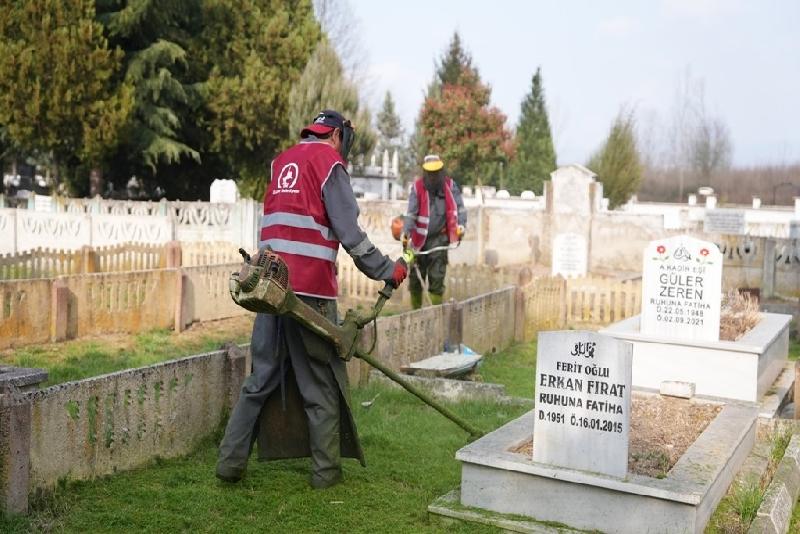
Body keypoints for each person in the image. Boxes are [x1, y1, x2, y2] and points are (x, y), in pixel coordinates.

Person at [216, 109, 408, 489]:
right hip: (310, 294)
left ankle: (229, 464)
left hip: (268, 288)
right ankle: (325, 475)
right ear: (336, 135)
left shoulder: (281, 162)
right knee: (319, 384)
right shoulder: (330, 163)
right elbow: (350, 234)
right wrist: (387, 270)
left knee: (261, 379)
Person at [402, 155, 467, 309]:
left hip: (440, 240)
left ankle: (435, 314)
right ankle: (415, 314)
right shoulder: (418, 187)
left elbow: (460, 208)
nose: (433, 176)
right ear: (425, 172)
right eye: (430, 172)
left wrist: (461, 226)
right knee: (415, 279)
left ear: (441, 171)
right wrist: (406, 232)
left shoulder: (450, 186)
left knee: (437, 277)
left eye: (436, 172)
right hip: (418, 241)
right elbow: (411, 213)